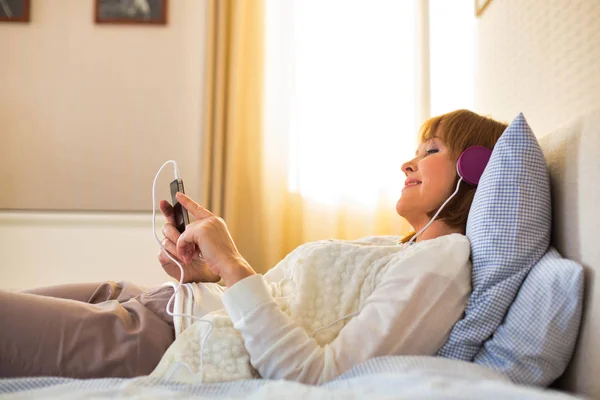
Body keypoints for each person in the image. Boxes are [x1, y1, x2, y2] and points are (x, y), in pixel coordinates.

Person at [0, 109, 508, 383]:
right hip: (166, 304)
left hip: (162, 342)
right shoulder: (394, 248)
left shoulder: (443, 263)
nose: (407, 164)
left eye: (431, 151)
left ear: (474, 169)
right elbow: (292, 310)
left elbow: (317, 376)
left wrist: (234, 264)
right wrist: (211, 273)